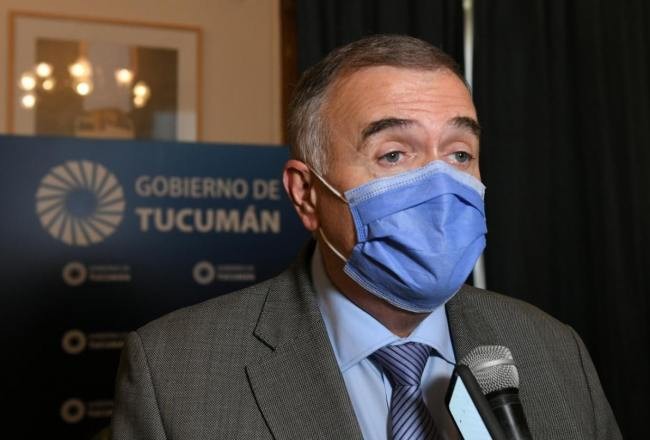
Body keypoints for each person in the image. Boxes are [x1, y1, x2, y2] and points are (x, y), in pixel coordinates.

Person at [111, 35, 621, 440]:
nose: (441, 185)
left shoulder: (554, 351)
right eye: (393, 154)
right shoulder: (175, 372)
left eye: (460, 154)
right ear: (306, 194)